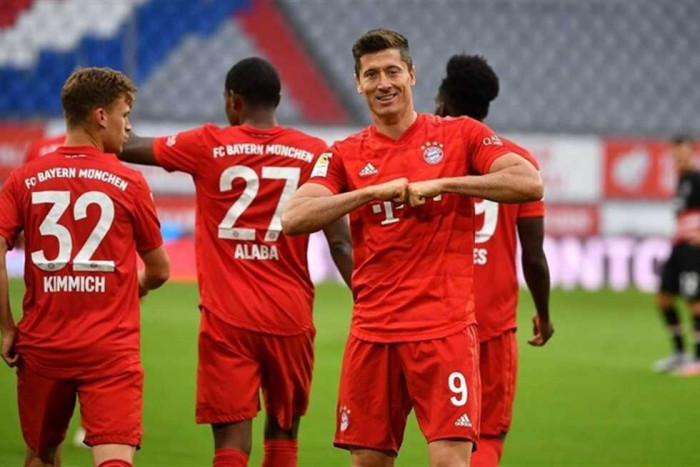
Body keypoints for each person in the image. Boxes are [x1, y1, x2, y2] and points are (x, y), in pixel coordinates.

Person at [282, 29, 543, 467]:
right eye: (371, 75)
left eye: (392, 71)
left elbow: (529, 181)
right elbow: (294, 217)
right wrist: (369, 193)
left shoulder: (461, 134)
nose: (383, 83)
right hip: (373, 333)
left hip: (444, 330)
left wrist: (444, 184)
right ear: (358, 83)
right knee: (369, 462)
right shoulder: (343, 153)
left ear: (412, 75)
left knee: (449, 462)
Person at [119, 57, 353, 467]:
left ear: (233, 100)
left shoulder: (207, 145)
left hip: (227, 319)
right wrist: (368, 299)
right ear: (278, 99)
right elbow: (341, 243)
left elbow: (127, 145)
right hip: (289, 317)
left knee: (230, 441)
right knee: (284, 432)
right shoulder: (315, 152)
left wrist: (111, 113)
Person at [0, 67, 170, 467]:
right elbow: (160, 270)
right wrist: (137, 286)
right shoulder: (130, 182)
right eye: (125, 115)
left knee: (41, 455)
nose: (129, 127)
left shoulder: (24, 178)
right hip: (110, 349)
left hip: (43, 345)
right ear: (101, 116)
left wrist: (6, 327)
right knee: (115, 456)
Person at [435, 54, 554, 466]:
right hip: (492, 325)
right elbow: (534, 257)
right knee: (486, 436)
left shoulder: (428, 162)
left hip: (434, 321)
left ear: (444, 102)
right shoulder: (518, 164)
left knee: (444, 437)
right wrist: (544, 314)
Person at [653, 134, 700, 376]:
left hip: (694, 249)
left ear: (692, 153)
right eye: (676, 155)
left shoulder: (698, 179)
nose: (679, 158)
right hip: (679, 245)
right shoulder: (682, 180)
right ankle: (680, 352)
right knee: (663, 298)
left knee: (695, 301)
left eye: (683, 154)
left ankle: (698, 358)